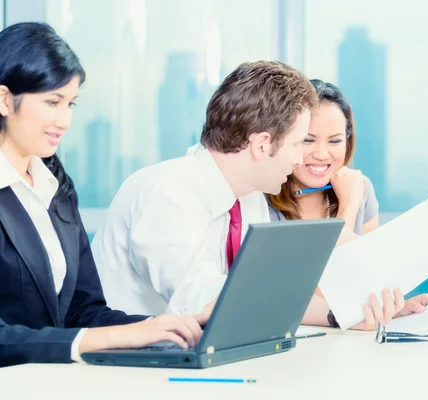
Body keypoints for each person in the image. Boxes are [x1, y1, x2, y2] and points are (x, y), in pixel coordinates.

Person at [92, 61, 408, 330]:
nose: (301, 159)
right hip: (127, 372)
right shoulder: (166, 192)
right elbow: (202, 301)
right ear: (261, 145)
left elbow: (266, 294)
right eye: (299, 142)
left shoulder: (250, 199)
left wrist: (343, 316)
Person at [0, 22, 207, 368]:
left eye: (71, 104)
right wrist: (109, 338)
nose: (64, 120)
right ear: (5, 99)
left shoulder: (55, 187)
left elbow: (84, 310)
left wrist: (155, 328)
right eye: (53, 102)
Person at [268, 79, 428, 312]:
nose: (322, 154)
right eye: (308, 140)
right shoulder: (264, 199)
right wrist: (348, 207)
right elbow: (311, 295)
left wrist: (394, 309)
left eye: (334, 141)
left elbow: (367, 282)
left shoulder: (360, 188)